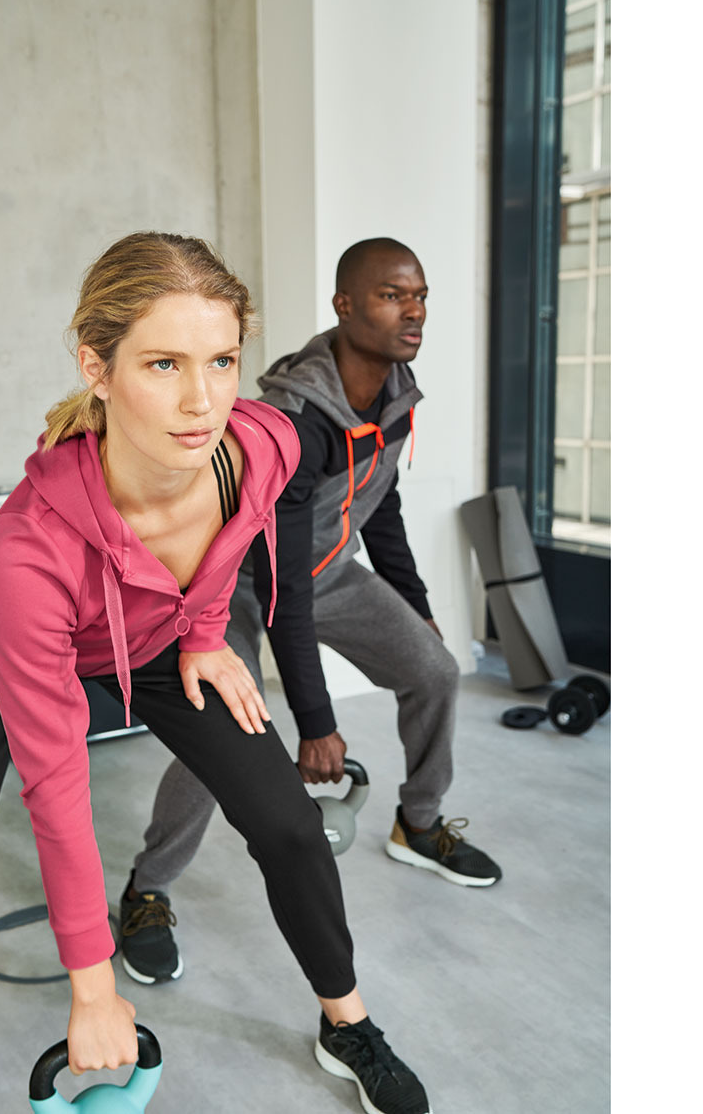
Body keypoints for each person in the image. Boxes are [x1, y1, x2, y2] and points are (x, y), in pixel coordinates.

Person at [0, 232, 432, 1114]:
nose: (201, 400)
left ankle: (347, 1025)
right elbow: (56, 781)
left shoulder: (266, 442)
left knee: (289, 823)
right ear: (97, 367)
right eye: (162, 364)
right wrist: (92, 984)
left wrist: (202, 631)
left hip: (153, 631)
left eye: (221, 360)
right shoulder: (31, 549)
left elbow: (236, 536)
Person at [119, 237, 503, 987]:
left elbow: (379, 503)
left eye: (420, 295)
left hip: (326, 572)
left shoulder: (395, 393)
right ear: (345, 305)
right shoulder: (297, 419)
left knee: (434, 670)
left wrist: (416, 607)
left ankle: (419, 823)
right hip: (228, 582)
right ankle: (148, 888)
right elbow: (281, 584)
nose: (414, 310)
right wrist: (316, 722)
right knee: (224, 727)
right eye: (393, 295)